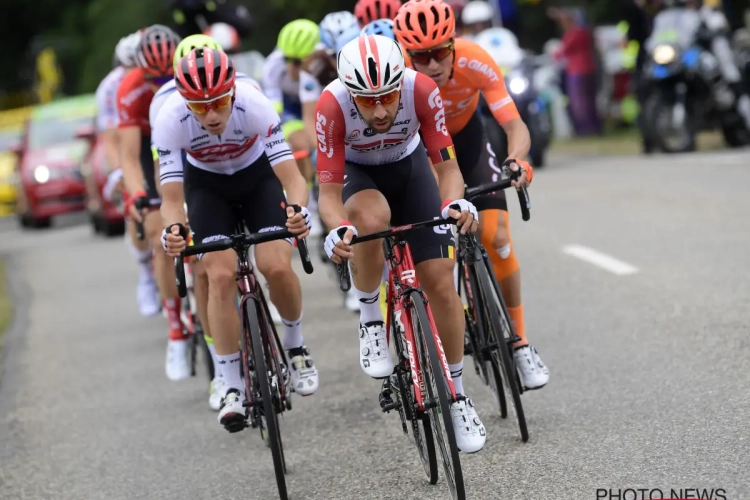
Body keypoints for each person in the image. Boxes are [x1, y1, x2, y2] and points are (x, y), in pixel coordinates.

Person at [317, 33, 487, 453]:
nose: (379, 110)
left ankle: (458, 394)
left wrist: (455, 201)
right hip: (360, 177)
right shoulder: (331, 104)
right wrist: (338, 229)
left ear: (401, 83)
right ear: (349, 93)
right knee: (372, 219)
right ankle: (372, 318)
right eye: (367, 100)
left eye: (387, 97)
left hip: (410, 170)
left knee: (441, 283)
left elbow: (446, 167)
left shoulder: (422, 89)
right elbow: (325, 193)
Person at [156, 47, 319, 431]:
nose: (211, 115)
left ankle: (295, 346)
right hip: (207, 188)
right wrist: (173, 231)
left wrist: (298, 211)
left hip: (257, 177)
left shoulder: (254, 103)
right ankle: (229, 382)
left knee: (276, 265)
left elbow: (293, 180)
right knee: (220, 276)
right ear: (185, 103)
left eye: (217, 103)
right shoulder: (170, 118)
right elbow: (172, 201)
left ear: (231, 92)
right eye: (199, 107)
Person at [394, 0, 549, 390]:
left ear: (454, 44)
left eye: (439, 53)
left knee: (497, 238)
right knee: (439, 261)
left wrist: (517, 160)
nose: (431, 65)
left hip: (468, 142)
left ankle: (520, 342)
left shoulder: (476, 59)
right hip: (422, 154)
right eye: (420, 56)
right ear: (406, 54)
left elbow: (513, 123)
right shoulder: (398, 79)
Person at [148, 33, 261, 410]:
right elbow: (168, 181)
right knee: (209, 272)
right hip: (198, 180)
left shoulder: (247, 94)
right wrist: (174, 226)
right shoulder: (165, 107)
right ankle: (217, 367)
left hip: (248, 176)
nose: (210, 107)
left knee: (260, 256)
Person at [117, 25, 188, 381]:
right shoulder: (130, 89)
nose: (160, 83)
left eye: (167, 76)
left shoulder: (189, 75)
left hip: (183, 139)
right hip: (149, 149)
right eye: (152, 77)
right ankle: (175, 329)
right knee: (162, 236)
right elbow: (129, 156)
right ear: (140, 70)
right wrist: (139, 195)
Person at [95, 30, 161, 318]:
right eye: (128, 67)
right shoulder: (111, 87)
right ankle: (146, 268)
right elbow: (112, 140)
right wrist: (119, 172)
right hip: (134, 137)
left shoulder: (161, 73)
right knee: (137, 205)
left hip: (161, 130)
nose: (134, 73)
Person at [262, 19, 321, 220]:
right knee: (300, 144)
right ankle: (307, 204)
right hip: (289, 110)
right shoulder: (273, 65)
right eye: (287, 59)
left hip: (317, 104)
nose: (290, 67)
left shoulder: (323, 60)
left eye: (296, 61)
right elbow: (273, 110)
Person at [549, 7, 602, 136]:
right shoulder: (586, 33)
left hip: (576, 71)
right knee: (591, 101)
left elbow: (563, 51)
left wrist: (553, 54)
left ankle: (585, 129)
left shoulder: (574, 33)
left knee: (579, 102)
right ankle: (595, 127)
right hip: (589, 69)